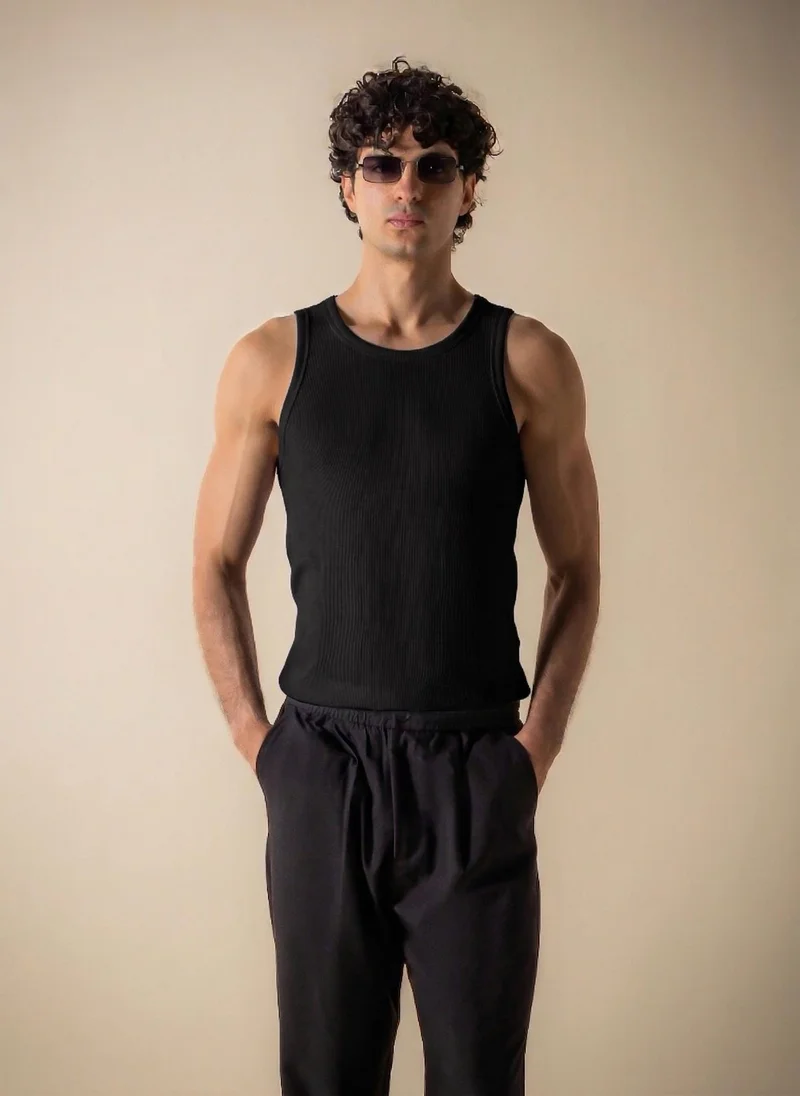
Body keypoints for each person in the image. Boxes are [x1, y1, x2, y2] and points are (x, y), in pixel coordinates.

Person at [192, 56, 600, 1096]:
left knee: (477, 1077)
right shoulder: (273, 360)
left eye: (434, 165)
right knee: (326, 1076)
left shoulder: (527, 360)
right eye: (381, 164)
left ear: (469, 189)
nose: (406, 186)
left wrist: (532, 751)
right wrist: (261, 745)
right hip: (322, 766)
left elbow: (576, 571)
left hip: (472, 768)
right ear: (348, 185)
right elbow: (216, 562)